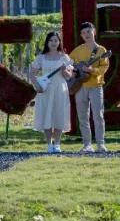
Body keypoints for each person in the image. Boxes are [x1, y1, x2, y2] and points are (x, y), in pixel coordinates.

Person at [26, 31, 74, 153]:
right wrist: (37, 85)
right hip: (45, 89)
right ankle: (49, 144)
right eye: (51, 40)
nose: (53, 43)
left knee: (59, 114)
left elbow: (69, 76)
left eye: (56, 40)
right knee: (46, 114)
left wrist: (64, 70)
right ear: (47, 42)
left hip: (60, 89)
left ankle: (57, 144)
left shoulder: (64, 57)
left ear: (59, 42)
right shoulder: (41, 57)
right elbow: (31, 73)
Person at [69, 21, 110, 153]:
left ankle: (100, 144)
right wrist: (73, 71)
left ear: (94, 32)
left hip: (96, 86)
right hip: (80, 86)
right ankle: (87, 144)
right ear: (81, 35)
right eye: (83, 33)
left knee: (98, 115)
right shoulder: (78, 50)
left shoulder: (101, 50)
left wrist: (92, 70)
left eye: (88, 31)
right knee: (83, 116)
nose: (86, 35)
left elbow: (104, 67)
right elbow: (69, 63)